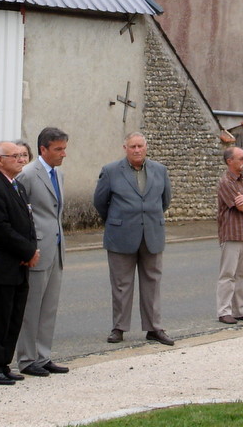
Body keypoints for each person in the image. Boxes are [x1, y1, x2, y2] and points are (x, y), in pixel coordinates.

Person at [93, 131, 174, 346]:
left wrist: (147, 218)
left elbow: (165, 201)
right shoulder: (110, 171)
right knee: (121, 285)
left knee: (152, 283)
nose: (137, 150)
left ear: (146, 147)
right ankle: (119, 328)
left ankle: (154, 328)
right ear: (125, 148)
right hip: (121, 235)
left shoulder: (160, 170)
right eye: (132, 147)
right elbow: (100, 202)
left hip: (152, 234)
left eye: (140, 146)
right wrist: (117, 220)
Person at [0, 141, 40, 385]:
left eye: (22, 155)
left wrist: (31, 249)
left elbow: (27, 221)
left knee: (13, 318)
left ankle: (3, 364)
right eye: (15, 156)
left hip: (19, 264)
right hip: (0, 266)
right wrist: (27, 250)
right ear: (0, 160)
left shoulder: (16, 185)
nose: (21, 159)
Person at [16, 127, 70, 376]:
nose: (63, 154)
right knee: (31, 307)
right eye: (58, 149)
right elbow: (20, 214)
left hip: (56, 247)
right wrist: (27, 248)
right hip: (37, 250)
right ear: (43, 149)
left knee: (49, 307)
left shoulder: (58, 174)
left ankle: (43, 355)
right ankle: (27, 358)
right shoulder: (27, 174)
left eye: (64, 149)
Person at [216, 146, 243, 324]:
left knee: (242, 274)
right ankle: (224, 311)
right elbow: (242, 207)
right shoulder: (226, 182)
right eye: (240, 159)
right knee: (228, 274)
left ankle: (240, 310)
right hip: (232, 233)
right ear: (230, 161)